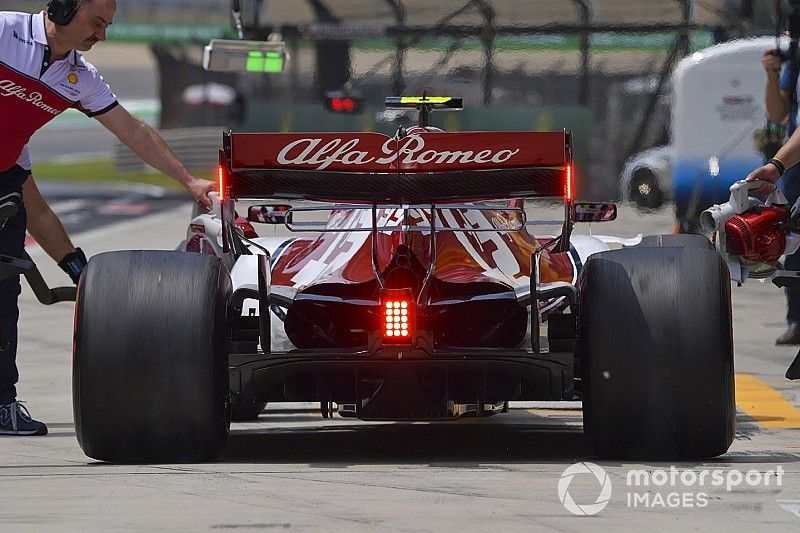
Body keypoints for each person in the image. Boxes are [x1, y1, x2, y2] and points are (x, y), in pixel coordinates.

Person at [0, 0, 214, 435]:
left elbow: (133, 132)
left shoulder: (80, 78)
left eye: (107, 25)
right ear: (62, 9)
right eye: (96, 22)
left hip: (6, 176)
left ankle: (2, 404)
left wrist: (189, 182)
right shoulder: (4, 32)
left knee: (4, 300)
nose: (102, 35)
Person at [755, 47, 800, 345]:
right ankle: (797, 319)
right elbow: (777, 114)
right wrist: (773, 73)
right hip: (795, 163)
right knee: (792, 237)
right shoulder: (795, 64)